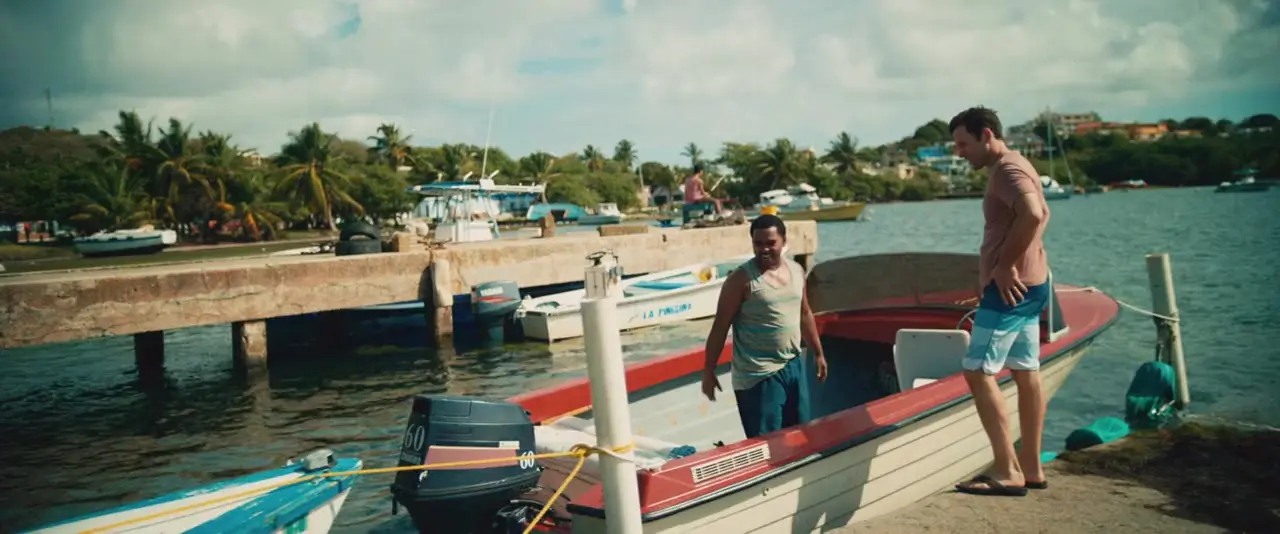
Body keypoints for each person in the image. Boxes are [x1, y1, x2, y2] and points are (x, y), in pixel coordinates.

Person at [948, 106, 1052, 497]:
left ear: (987, 135)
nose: (959, 152)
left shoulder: (1008, 169)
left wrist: (1005, 265)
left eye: (964, 144)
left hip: (1010, 291)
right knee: (1025, 370)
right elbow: (1042, 215)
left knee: (977, 370)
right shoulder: (1017, 165)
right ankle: (1032, 467)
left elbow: (1034, 213)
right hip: (1031, 284)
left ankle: (1007, 469)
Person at [701, 215, 828, 439]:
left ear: (783, 241)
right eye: (758, 244)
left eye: (771, 243)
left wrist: (818, 353)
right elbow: (720, 327)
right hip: (758, 376)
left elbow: (805, 313)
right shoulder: (740, 280)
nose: (764, 249)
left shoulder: (797, 271)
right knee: (768, 445)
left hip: (793, 365)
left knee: (801, 436)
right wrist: (709, 370)